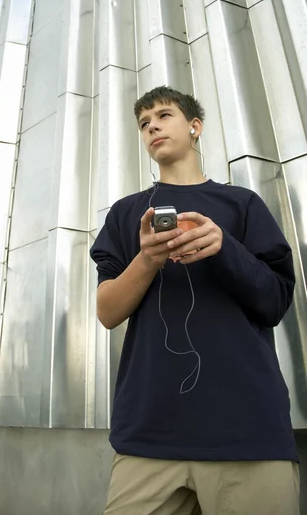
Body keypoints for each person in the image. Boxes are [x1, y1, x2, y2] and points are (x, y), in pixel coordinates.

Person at [90, 86, 300, 515]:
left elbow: (275, 302)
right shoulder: (126, 214)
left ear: (194, 126)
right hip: (148, 435)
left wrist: (225, 247)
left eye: (163, 116)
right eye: (144, 123)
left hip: (248, 431)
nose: (152, 127)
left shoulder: (242, 204)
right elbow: (108, 312)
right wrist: (148, 259)